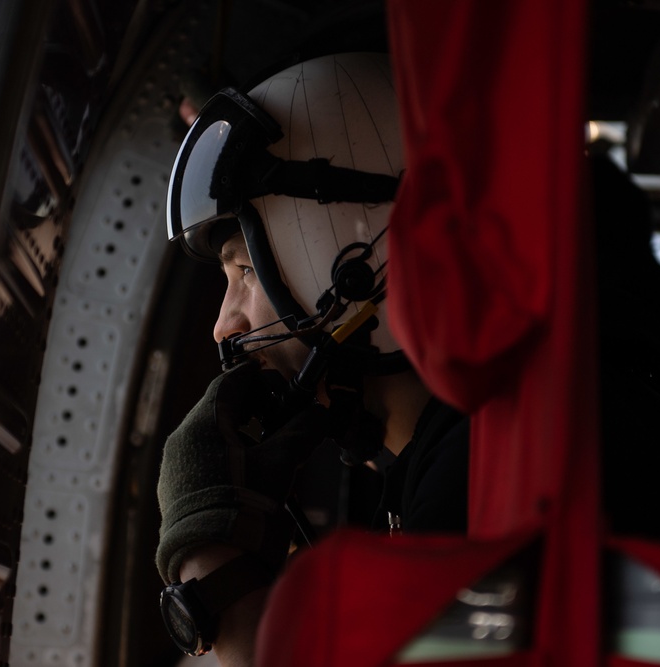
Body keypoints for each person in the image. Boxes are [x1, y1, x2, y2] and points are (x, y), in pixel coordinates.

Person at [155, 52, 470, 666]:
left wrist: (218, 574)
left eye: (244, 270)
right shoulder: (440, 463)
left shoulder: (471, 487)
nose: (225, 325)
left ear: (354, 262)